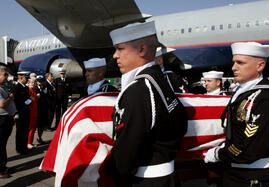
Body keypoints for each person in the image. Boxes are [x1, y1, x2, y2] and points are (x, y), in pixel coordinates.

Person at [105, 21, 188, 187]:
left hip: (145, 181)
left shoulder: (138, 90)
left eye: (120, 48)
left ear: (142, 50)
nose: (115, 55)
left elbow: (126, 150)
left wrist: (114, 173)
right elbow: (181, 125)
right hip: (168, 178)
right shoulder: (160, 80)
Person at [204, 42, 269, 186]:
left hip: (252, 175)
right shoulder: (242, 92)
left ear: (260, 66)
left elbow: (250, 145)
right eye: (234, 62)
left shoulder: (264, 97)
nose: (234, 68)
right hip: (234, 170)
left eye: (240, 63)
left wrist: (218, 154)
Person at [0, 66, 16, 178]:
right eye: (4, 74)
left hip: (6, 119)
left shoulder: (2, 87)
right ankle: (1, 170)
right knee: (1, 145)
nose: (6, 77)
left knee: (2, 144)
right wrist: (10, 97)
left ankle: (3, 167)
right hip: (2, 120)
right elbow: (2, 104)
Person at [13, 71, 32, 154]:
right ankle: (19, 148)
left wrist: (29, 101)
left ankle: (24, 147)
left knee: (25, 131)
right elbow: (15, 102)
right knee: (20, 131)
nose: (27, 79)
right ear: (20, 78)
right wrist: (16, 113)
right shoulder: (16, 88)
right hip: (20, 113)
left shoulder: (26, 88)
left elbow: (27, 99)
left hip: (26, 112)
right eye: (26, 78)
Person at [36, 75, 48, 144]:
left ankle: (40, 137)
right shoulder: (34, 88)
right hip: (36, 108)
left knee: (41, 125)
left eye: (41, 81)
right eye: (38, 81)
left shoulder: (44, 87)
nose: (40, 82)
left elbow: (45, 95)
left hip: (43, 108)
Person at [27, 77, 38, 149]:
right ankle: (28, 143)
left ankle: (30, 142)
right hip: (30, 112)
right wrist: (30, 100)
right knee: (30, 128)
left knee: (33, 128)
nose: (33, 84)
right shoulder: (28, 90)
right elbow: (25, 102)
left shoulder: (33, 90)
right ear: (28, 83)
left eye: (34, 83)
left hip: (34, 111)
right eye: (32, 82)